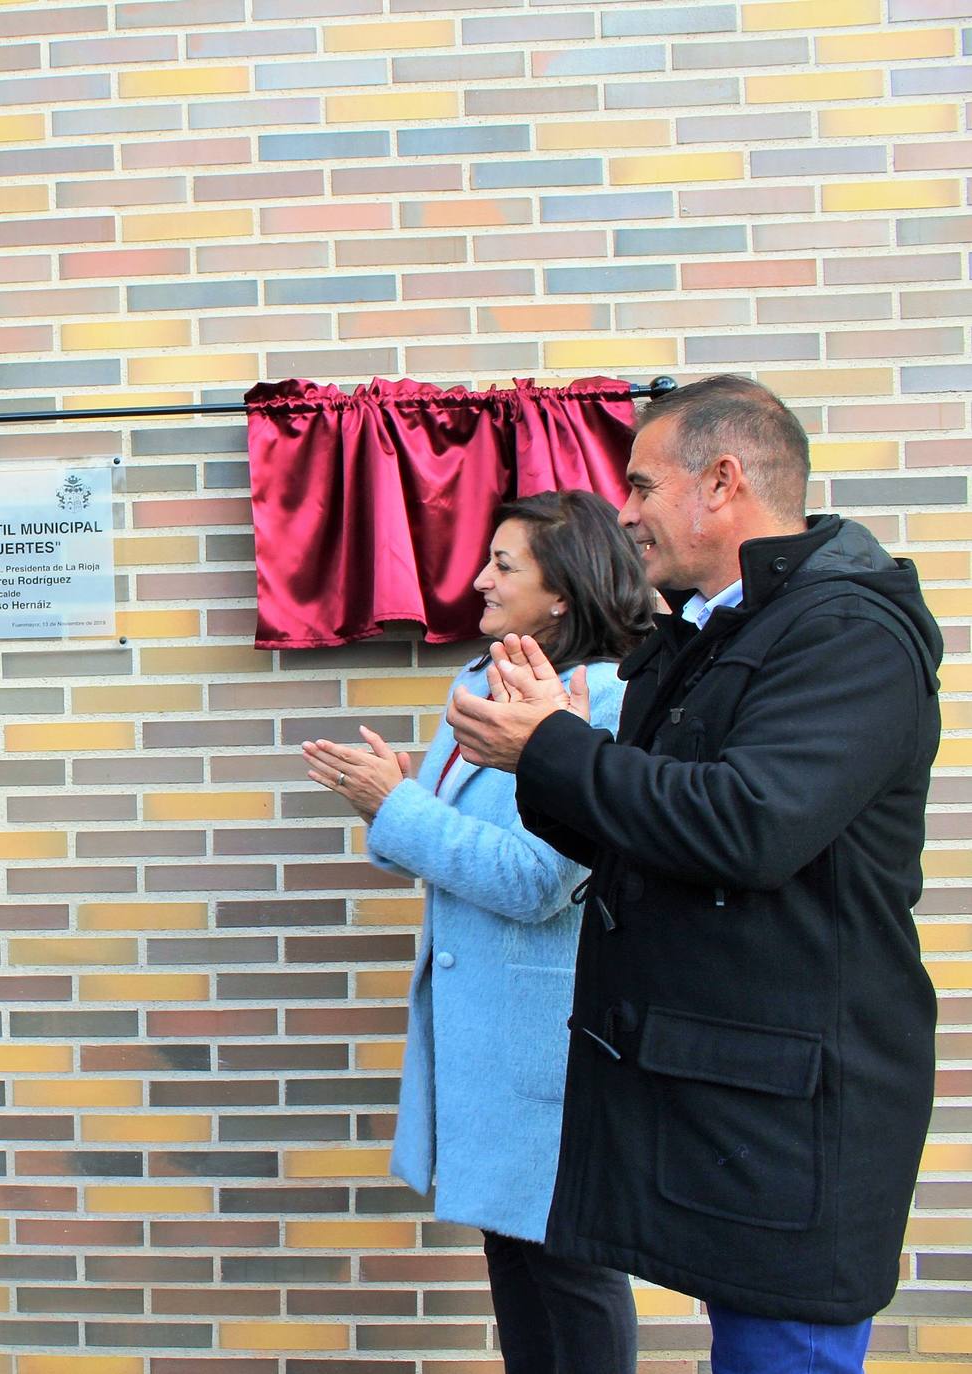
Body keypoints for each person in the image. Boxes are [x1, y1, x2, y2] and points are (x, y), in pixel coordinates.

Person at [448, 376, 941, 1370]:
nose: (623, 512)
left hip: (792, 1121)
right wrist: (540, 752)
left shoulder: (845, 631)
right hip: (724, 1107)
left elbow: (747, 825)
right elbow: (649, 828)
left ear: (722, 483)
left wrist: (547, 746)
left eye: (640, 485)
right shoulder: (713, 631)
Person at [305, 490, 650, 1373]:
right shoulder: (473, 686)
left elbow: (540, 881)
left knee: (569, 1272)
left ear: (564, 591)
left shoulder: (604, 702)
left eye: (503, 565)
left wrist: (401, 809)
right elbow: (434, 853)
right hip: (483, 1036)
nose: (477, 581)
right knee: (514, 1257)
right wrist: (391, 802)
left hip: (548, 1038)